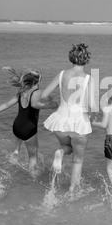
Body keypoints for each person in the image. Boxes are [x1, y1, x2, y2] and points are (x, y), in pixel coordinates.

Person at [0, 67, 58, 178]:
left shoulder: (22, 91)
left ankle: (16, 151)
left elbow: (7, 104)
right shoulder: (37, 92)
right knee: (33, 157)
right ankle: (33, 180)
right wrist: (53, 105)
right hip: (29, 129)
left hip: (17, 126)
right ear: (38, 81)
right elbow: (38, 103)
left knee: (20, 135)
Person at [41, 43, 96, 194]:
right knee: (77, 160)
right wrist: (92, 117)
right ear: (86, 60)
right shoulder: (88, 79)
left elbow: (44, 95)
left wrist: (55, 103)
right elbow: (91, 104)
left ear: (71, 58)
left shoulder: (61, 74)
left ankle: (60, 152)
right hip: (79, 122)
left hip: (60, 120)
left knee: (68, 148)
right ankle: (72, 190)